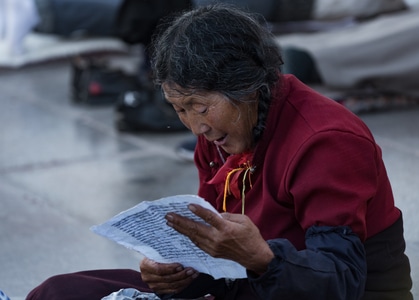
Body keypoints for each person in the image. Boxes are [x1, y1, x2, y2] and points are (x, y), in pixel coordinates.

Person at [26, 4, 413, 300]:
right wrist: (178, 272)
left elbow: (341, 280)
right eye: (180, 110)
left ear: (245, 87)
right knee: (59, 292)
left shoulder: (326, 140)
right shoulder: (223, 131)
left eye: (199, 106)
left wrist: (262, 258)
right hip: (250, 287)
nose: (197, 127)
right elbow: (218, 259)